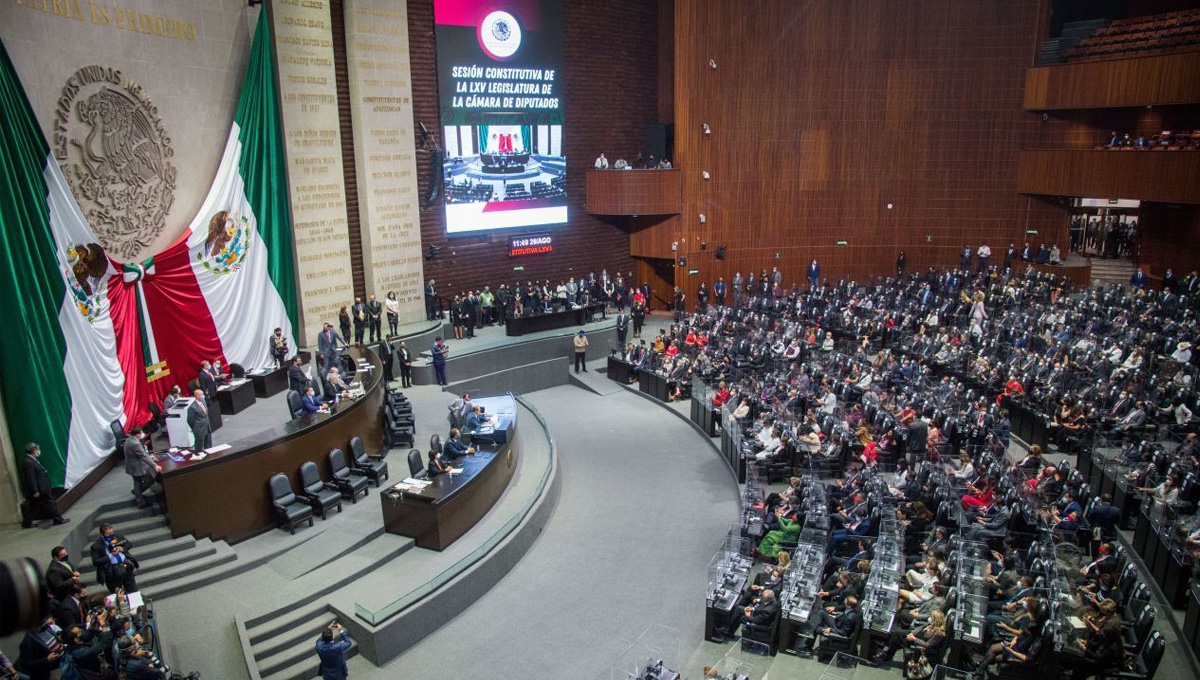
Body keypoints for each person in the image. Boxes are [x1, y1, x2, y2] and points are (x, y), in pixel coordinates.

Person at [21, 442, 67, 527]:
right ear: (33, 451)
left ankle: (26, 523)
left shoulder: (32, 460)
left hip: (41, 488)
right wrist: (35, 490)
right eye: (36, 449)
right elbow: (30, 478)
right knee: (49, 503)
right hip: (40, 489)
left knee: (34, 506)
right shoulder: (28, 462)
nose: (38, 451)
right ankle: (58, 519)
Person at [90, 524, 138, 593]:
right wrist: (111, 555)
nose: (111, 535)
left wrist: (123, 548)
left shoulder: (118, 536)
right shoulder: (96, 546)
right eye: (108, 534)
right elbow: (96, 562)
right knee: (118, 595)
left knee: (133, 591)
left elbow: (129, 544)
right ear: (102, 534)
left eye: (112, 532)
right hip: (111, 572)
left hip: (125, 566)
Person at [123, 427, 160, 509]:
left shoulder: (129, 439)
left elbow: (141, 453)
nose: (142, 434)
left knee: (137, 482)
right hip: (137, 467)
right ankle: (138, 494)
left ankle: (140, 500)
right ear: (137, 435)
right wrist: (155, 465)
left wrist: (149, 456)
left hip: (131, 466)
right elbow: (143, 456)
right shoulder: (135, 443)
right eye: (141, 433)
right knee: (149, 480)